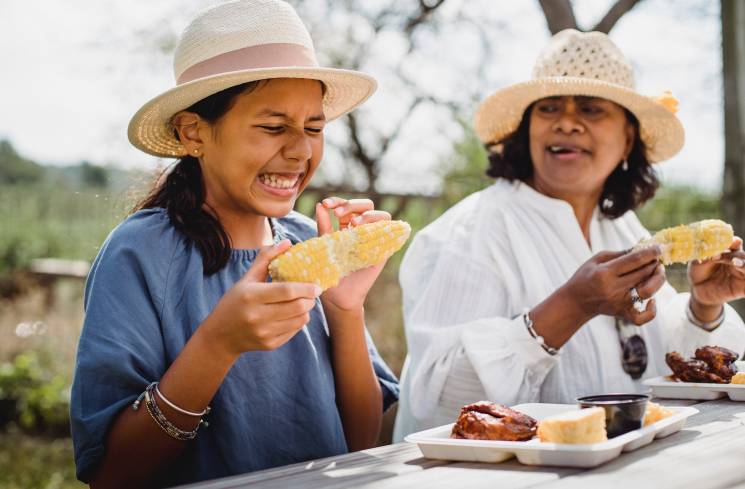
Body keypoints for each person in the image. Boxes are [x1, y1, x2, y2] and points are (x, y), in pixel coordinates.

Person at [70, 1, 399, 486]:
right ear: (193, 132)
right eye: (272, 127)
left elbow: (359, 442)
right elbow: (112, 473)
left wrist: (346, 310)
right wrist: (218, 344)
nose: (300, 150)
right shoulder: (140, 254)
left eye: (313, 127)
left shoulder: (311, 242)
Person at [393, 29, 745, 440]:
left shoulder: (622, 227)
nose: (566, 123)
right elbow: (440, 402)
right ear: (528, 130)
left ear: (628, 138)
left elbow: (665, 364)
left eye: (592, 110)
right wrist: (572, 307)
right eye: (549, 108)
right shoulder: (470, 232)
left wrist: (704, 306)